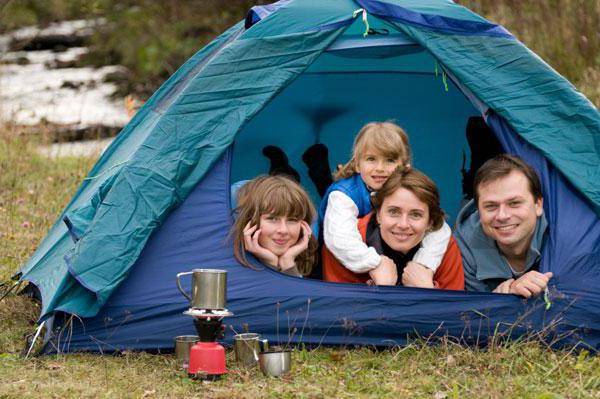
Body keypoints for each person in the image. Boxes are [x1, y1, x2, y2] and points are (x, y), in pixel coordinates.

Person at [319, 121, 452, 282]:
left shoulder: (410, 188)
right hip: (329, 256)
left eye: (389, 160)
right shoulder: (343, 195)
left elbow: (439, 227)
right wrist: (375, 262)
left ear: (405, 166)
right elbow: (340, 239)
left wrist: (423, 265)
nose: (380, 168)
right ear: (357, 164)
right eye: (371, 159)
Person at [322, 168, 464, 289]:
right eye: (393, 212)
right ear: (378, 214)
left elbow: (457, 315)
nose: (403, 224)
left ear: (430, 222)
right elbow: (339, 315)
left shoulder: (445, 247)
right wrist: (380, 290)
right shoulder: (343, 245)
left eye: (416, 215)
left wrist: (427, 289)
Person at [454, 154, 552, 297]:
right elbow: (472, 313)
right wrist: (500, 298)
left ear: (538, 205)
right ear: (478, 211)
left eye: (514, 203)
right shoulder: (463, 247)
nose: (502, 216)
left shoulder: (563, 233)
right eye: (491, 206)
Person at [232, 175, 317, 277]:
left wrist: (288, 263)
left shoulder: (304, 260)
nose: (283, 230)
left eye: (292, 220)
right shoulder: (231, 268)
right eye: (272, 219)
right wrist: (270, 264)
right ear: (249, 222)